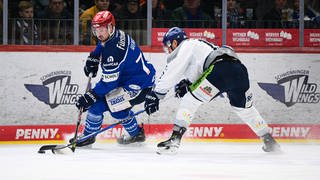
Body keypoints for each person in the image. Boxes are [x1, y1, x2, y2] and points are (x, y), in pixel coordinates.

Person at [144, 27, 280, 154]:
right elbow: (203, 71)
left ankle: (174, 140)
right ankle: (268, 139)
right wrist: (189, 84)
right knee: (245, 109)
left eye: (169, 47)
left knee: (190, 100)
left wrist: (156, 94)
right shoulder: (199, 45)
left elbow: (172, 70)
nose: (169, 51)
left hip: (220, 70)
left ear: (174, 42)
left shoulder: (185, 45)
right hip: (239, 71)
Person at [73, 10, 156, 147]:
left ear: (110, 27)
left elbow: (108, 84)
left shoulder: (114, 51)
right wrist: (94, 56)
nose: (99, 33)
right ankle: (136, 134)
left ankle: (88, 136)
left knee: (97, 106)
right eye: (96, 29)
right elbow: (102, 44)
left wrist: (91, 95)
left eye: (102, 29)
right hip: (135, 80)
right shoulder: (113, 35)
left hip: (139, 86)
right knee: (116, 109)